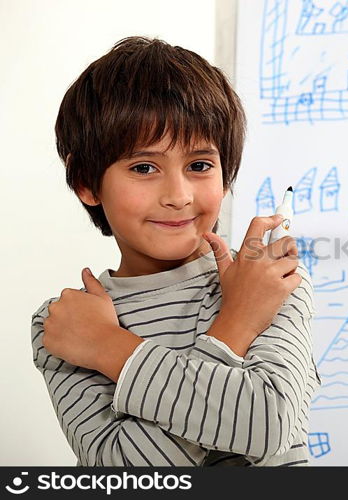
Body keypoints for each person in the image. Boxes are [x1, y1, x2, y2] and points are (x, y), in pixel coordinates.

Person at [30, 36, 321, 466]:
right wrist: (235, 329)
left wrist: (110, 348)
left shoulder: (266, 281)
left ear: (226, 177)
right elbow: (125, 471)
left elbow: (267, 425)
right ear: (87, 183)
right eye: (144, 167)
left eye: (199, 166)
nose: (179, 195)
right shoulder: (67, 322)